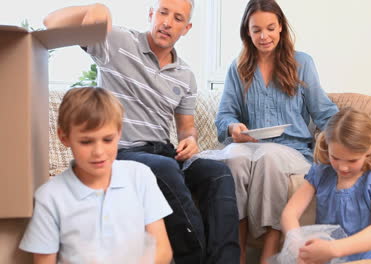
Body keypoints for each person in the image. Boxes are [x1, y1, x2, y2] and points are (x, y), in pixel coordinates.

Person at [43, 1, 240, 263]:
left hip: (165, 153)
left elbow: (186, 129)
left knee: (218, 173)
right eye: (162, 12)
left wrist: (190, 141)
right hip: (123, 152)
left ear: (186, 28)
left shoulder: (185, 76)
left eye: (178, 18)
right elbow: (50, 22)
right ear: (151, 14)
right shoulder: (116, 41)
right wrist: (96, 8)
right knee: (163, 168)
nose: (167, 22)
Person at [214, 0, 338, 262]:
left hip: (291, 151)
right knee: (232, 158)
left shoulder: (302, 63)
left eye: (270, 28)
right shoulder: (238, 68)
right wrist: (233, 127)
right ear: (247, 32)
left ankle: (268, 255)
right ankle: (238, 253)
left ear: (281, 27)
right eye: (256, 30)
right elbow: (224, 115)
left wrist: (347, 141)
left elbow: (324, 112)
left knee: (269, 158)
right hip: (250, 147)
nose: (264, 36)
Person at [19, 87, 173, 264]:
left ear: (119, 133)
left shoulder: (140, 176)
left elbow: (162, 250)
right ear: (64, 137)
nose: (99, 152)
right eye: (86, 142)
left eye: (107, 140)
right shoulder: (49, 197)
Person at [281, 107, 371, 263]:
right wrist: (296, 244)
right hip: (330, 256)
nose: (343, 167)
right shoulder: (320, 173)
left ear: (370, 149)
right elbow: (289, 213)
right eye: (335, 157)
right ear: (326, 144)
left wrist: (334, 249)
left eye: (352, 160)